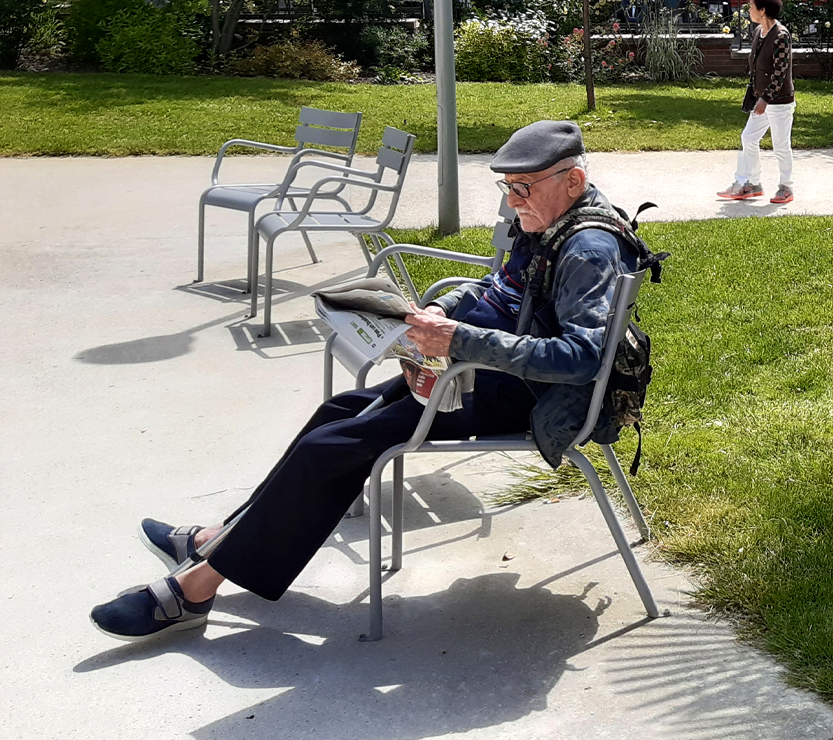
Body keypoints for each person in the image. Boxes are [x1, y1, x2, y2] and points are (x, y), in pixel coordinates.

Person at [89, 121, 642, 642]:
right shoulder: (552, 222)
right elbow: (500, 290)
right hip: (487, 375)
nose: (512, 200)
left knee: (332, 446)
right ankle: (222, 539)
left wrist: (457, 342)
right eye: (507, 187)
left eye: (523, 187)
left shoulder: (587, 247)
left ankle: (196, 590)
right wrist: (440, 308)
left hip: (526, 397)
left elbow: (581, 358)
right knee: (338, 414)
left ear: (573, 180)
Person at [717, 0, 795, 204]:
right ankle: (752, 183)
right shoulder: (759, 32)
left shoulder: (781, 36)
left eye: (751, 7)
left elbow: (780, 72)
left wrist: (766, 98)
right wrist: (756, 96)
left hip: (779, 101)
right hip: (761, 99)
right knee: (749, 137)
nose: (748, 10)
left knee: (780, 145)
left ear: (762, 11)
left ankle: (786, 187)